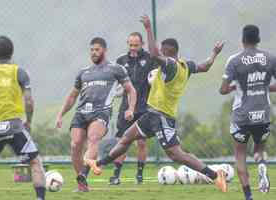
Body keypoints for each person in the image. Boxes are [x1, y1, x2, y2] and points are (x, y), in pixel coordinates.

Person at [86, 15, 228, 193]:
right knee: (126, 138)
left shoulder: (171, 65)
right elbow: (205, 66)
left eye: (162, 50)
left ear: (167, 52)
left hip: (162, 116)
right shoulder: (186, 65)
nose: (158, 52)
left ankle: (215, 176)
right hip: (151, 114)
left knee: (176, 154)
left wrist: (148, 28)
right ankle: (97, 164)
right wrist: (214, 53)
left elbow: (153, 54)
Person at [55, 37, 137, 192]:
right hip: (81, 113)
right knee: (75, 145)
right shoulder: (83, 72)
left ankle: (84, 175)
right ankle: (82, 185)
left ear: (104, 50)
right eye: (91, 50)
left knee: (93, 140)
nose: (93, 52)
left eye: (97, 49)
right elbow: (72, 96)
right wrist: (60, 115)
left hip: (101, 112)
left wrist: (130, 109)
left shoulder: (116, 69)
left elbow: (131, 90)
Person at [0, 36, 46, 200]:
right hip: (14, 126)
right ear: (12, 52)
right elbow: (29, 101)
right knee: (35, 161)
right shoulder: (19, 72)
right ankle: (40, 198)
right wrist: (29, 121)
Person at [220, 25, 275, 200]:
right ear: (258, 39)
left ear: (242, 40)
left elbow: (222, 89)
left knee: (240, 156)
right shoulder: (270, 58)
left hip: (242, 116)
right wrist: (264, 87)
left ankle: (249, 196)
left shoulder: (234, 61)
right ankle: (262, 166)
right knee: (259, 148)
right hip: (263, 114)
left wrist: (234, 87)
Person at [109, 32, 157, 185]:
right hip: (126, 107)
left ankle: (140, 175)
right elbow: (115, 83)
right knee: (123, 141)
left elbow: (155, 79)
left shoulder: (150, 59)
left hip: (144, 107)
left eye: (136, 45)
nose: (133, 48)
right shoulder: (121, 61)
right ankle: (116, 175)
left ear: (142, 44)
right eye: (130, 45)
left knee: (142, 142)